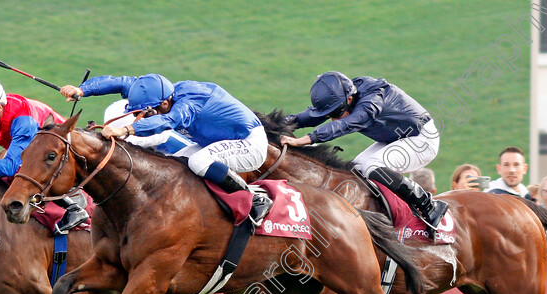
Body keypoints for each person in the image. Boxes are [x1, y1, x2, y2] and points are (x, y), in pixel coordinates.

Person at [60, 73, 272, 226]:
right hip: (214, 142)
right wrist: (82, 90)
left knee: (199, 162)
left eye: (144, 114)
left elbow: (168, 121)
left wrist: (126, 129)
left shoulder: (189, 103)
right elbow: (119, 82)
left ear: (163, 104)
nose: (140, 117)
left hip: (249, 143)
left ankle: (254, 198)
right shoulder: (154, 92)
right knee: (173, 165)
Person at [280, 71, 448, 228]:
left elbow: (348, 123)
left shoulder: (372, 98)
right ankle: (381, 215)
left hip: (422, 138)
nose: (333, 118)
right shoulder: (344, 97)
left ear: (350, 99)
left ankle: (429, 205)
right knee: (356, 169)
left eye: (336, 112)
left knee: (372, 167)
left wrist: (307, 139)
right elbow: (309, 116)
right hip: (396, 138)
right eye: (329, 114)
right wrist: (279, 124)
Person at [0, 75, 88, 234]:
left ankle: (73, 206)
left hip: (60, 153)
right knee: (1, 156)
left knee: (13, 167)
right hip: (35, 152)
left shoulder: (23, 121)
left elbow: (10, 167)